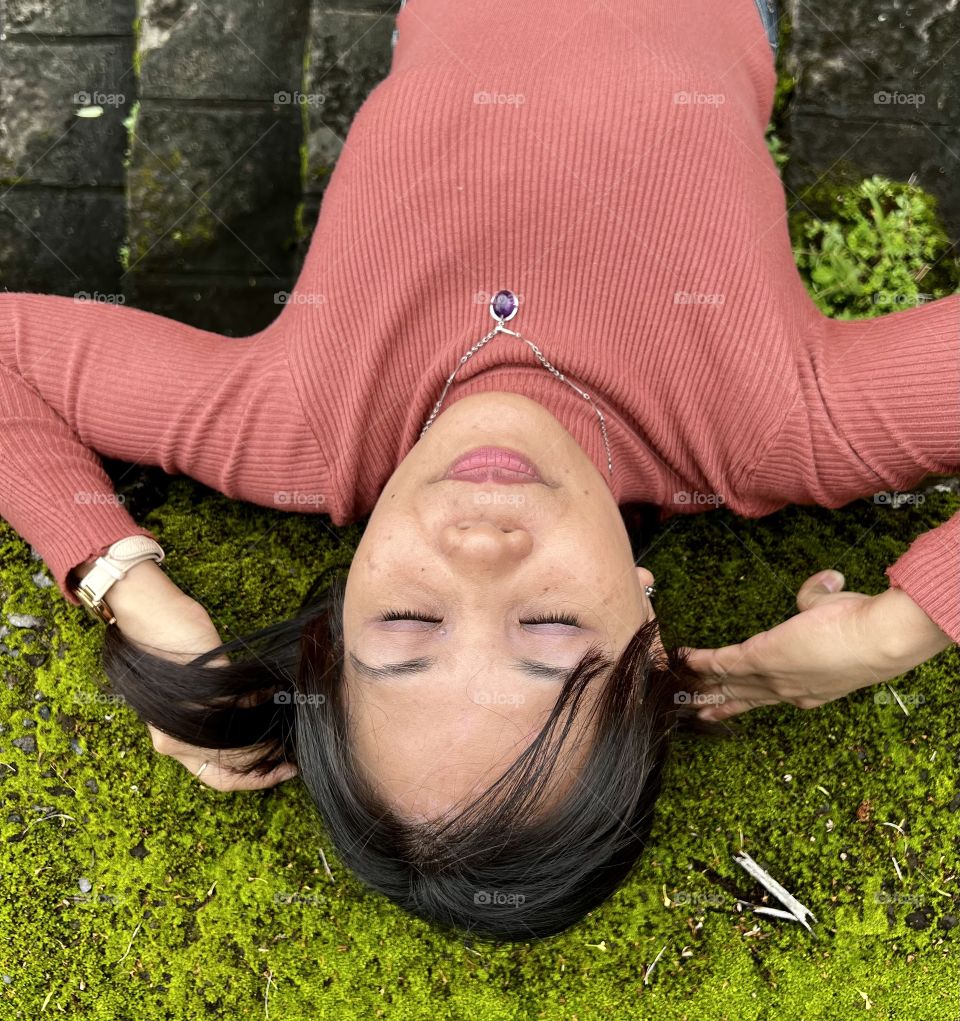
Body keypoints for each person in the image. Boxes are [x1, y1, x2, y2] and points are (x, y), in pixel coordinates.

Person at [0, 0, 956, 941]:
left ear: (333, 622)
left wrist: (124, 580)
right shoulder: (772, 428)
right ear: (652, 634)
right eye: (549, 624)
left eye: (409, 620)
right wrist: (898, 627)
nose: (480, 545)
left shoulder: (295, 432)